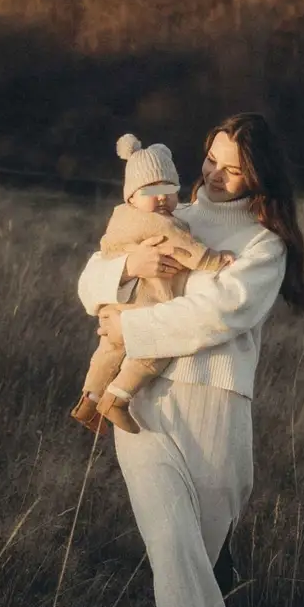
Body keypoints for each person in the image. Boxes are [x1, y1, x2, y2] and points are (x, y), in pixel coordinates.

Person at [76, 111, 304, 607]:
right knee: (172, 545)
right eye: (210, 159)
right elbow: (92, 277)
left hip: (216, 406)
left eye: (233, 169)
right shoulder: (167, 215)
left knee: (205, 553)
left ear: (258, 176)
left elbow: (216, 315)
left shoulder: (262, 245)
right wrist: (129, 271)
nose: (213, 175)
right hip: (142, 404)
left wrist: (129, 325)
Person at [70, 133, 234, 435]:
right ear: (131, 196)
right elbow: (187, 249)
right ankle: (117, 398)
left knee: (108, 351)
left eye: (168, 189)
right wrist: (216, 260)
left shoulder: (121, 217)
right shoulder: (164, 222)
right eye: (151, 190)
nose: (161, 198)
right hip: (143, 305)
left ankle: (89, 399)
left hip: (116, 307)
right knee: (152, 353)